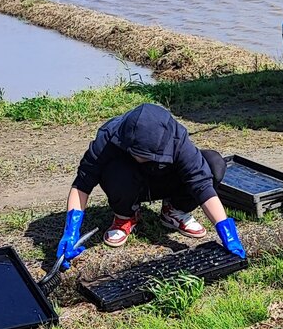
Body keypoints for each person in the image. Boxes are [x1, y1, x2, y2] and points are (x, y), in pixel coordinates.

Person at [56, 103, 246, 267]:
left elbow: (202, 185)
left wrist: (226, 232)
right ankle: (125, 215)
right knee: (115, 170)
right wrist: (71, 232)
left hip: (164, 182)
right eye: (137, 154)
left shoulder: (177, 138)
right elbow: (82, 185)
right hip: (127, 184)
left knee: (213, 164)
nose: (142, 159)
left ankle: (174, 210)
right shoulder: (108, 136)